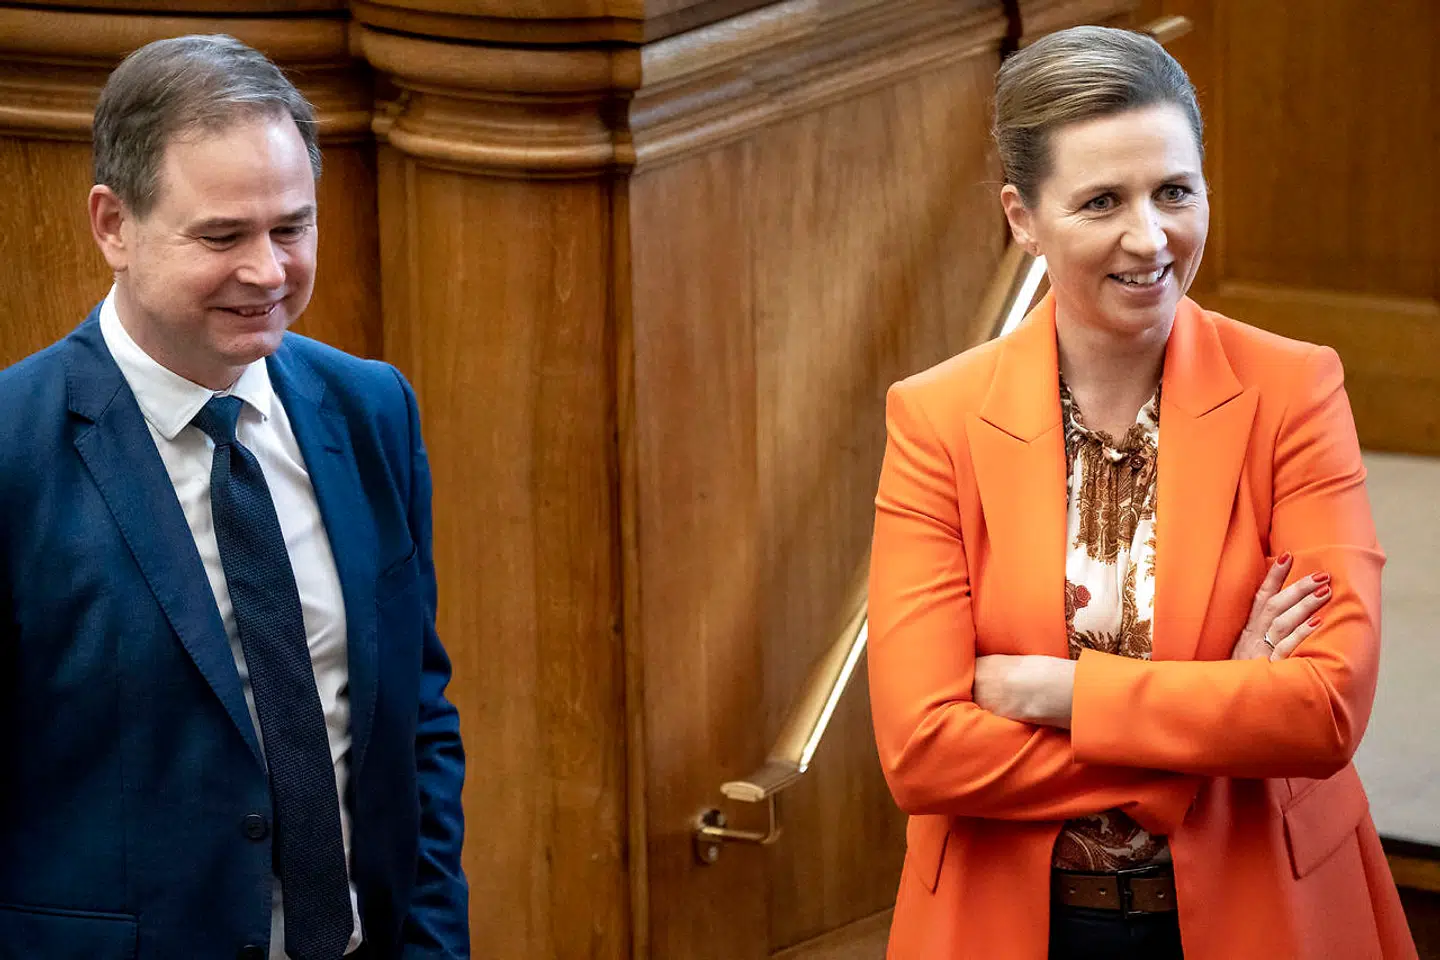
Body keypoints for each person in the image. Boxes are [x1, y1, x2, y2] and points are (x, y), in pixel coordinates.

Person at [866, 25, 1416, 960]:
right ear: (1022, 218)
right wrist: (1210, 723)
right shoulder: (936, 418)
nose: (1149, 236)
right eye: (1099, 202)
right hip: (1014, 920)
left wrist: (1058, 691)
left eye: (1174, 191)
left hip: (1265, 912)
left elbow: (1323, 709)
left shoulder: (1295, 388)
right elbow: (923, 751)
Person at [0, 35, 468, 960]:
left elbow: (417, 721)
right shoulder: (12, 452)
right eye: (222, 236)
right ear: (113, 225)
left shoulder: (371, 409)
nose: (268, 272)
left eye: (291, 227)